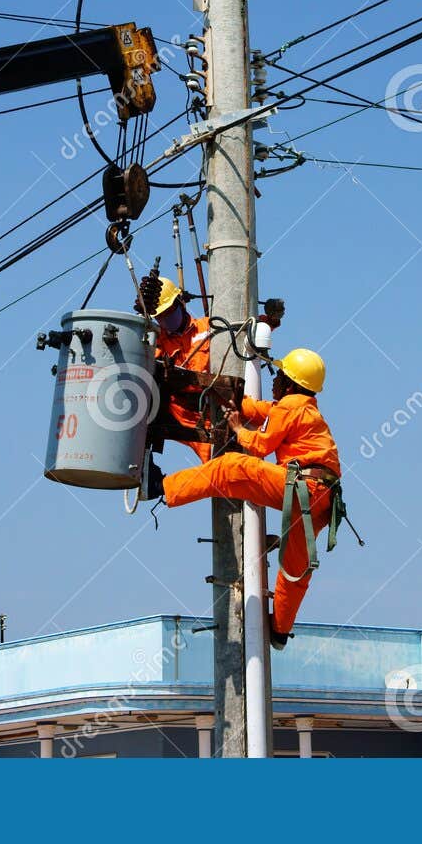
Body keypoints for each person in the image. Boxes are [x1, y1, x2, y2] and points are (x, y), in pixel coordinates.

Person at [147, 348, 339, 649]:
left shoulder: (291, 405)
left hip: (304, 488)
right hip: (320, 499)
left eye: (278, 377)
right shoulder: (304, 408)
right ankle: (279, 630)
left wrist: (237, 427)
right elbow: (264, 410)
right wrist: (239, 405)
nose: (273, 383)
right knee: (295, 570)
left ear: (290, 383)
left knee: (231, 468)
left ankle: (162, 487)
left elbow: (260, 445)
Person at [139, 276, 215, 467]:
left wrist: (266, 325)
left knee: (221, 459)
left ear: (181, 302)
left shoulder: (208, 327)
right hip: (180, 411)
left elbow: (240, 336)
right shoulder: (158, 341)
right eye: (160, 317)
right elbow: (141, 363)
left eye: (169, 312)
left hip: (211, 407)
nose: (165, 320)